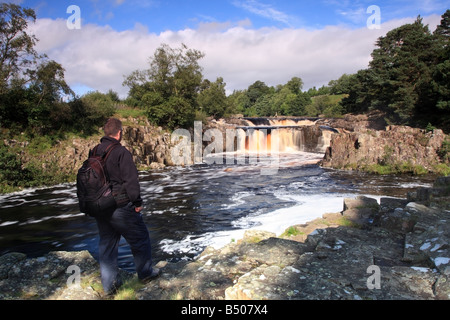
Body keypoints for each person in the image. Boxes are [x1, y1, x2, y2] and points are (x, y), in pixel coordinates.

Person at [94, 118, 160, 295]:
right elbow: (131, 181)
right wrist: (137, 203)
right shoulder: (121, 152)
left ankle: (109, 286)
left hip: (100, 206)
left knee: (107, 244)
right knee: (140, 238)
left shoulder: (95, 151)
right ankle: (146, 273)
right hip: (120, 205)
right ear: (120, 132)